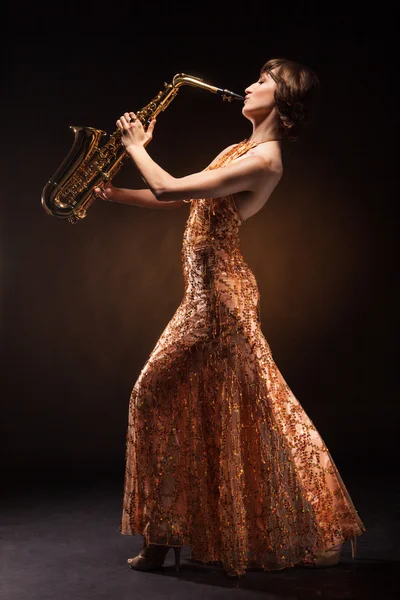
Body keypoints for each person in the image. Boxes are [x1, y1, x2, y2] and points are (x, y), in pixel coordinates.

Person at [95, 57, 366, 579]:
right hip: (205, 298)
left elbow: (173, 188)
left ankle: (174, 535)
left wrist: (134, 149)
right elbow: (181, 201)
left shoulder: (266, 160)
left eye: (262, 80)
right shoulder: (235, 150)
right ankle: (163, 536)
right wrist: (112, 193)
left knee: (163, 397)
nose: (248, 84)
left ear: (283, 101)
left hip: (219, 301)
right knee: (201, 406)